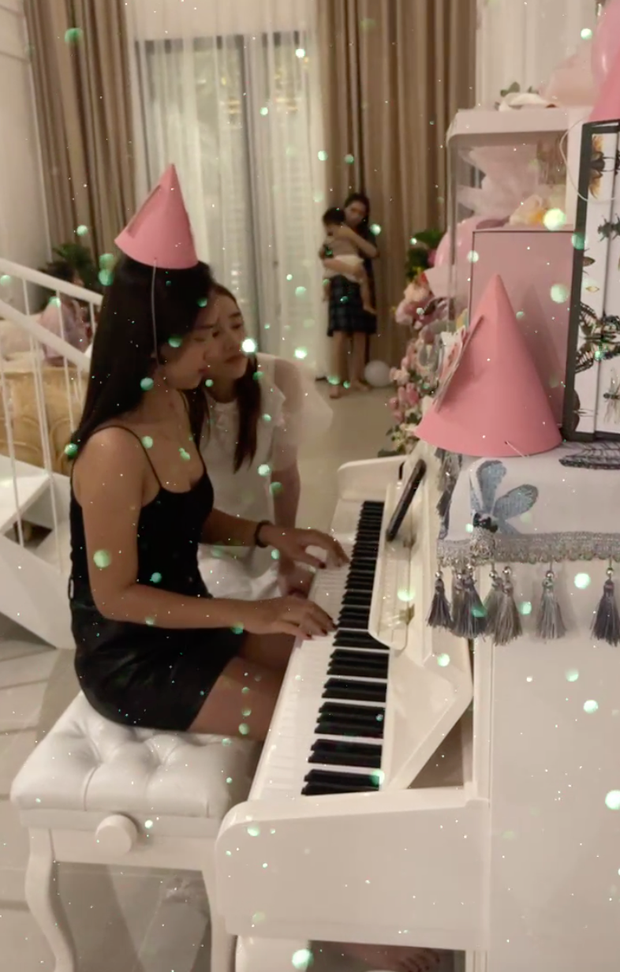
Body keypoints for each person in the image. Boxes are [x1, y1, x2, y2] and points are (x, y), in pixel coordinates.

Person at [68, 165, 346, 741]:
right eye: (202, 337)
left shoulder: (174, 403)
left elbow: (180, 518)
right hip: (134, 659)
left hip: (190, 622)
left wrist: (269, 534)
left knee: (333, 664)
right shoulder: (114, 449)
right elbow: (114, 596)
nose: (218, 351)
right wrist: (249, 612)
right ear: (152, 345)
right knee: (311, 726)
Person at [198, 284, 332, 601]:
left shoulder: (277, 376)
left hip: (263, 537)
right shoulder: (178, 395)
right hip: (202, 544)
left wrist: (286, 561)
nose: (233, 341)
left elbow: (284, 477)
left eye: (237, 324)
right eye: (214, 333)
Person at [322, 192, 380, 399]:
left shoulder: (365, 233)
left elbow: (373, 252)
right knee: (339, 334)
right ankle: (335, 381)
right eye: (352, 210)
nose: (356, 215)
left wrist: (352, 235)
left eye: (361, 213)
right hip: (340, 283)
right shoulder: (333, 229)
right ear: (345, 209)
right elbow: (326, 259)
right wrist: (348, 268)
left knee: (360, 334)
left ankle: (356, 378)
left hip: (361, 285)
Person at [320, 207, 375, 315]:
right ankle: (367, 304)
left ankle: (326, 294)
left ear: (328, 226)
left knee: (326, 277)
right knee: (364, 282)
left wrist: (322, 253)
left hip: (339, 261)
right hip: (353, 260)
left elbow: (321, 252)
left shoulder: (329, 237)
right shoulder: (348, 232)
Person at [39, 260, 90, 364]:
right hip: (65, 370)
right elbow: (56, 358)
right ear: (65, 283)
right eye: (76, 279)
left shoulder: (74, 305)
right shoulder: (55, 311)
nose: (81, 283)